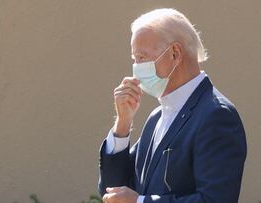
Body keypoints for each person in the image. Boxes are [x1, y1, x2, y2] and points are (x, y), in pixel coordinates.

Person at [98, 8, 247, 203]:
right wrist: (122, 125)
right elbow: (114, 192)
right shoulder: (157, 117)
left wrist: (140, 202)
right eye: (134, 59)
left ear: (175, 53)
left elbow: (215, 199)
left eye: (141, 58)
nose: (135, 70)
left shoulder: (216, 115)